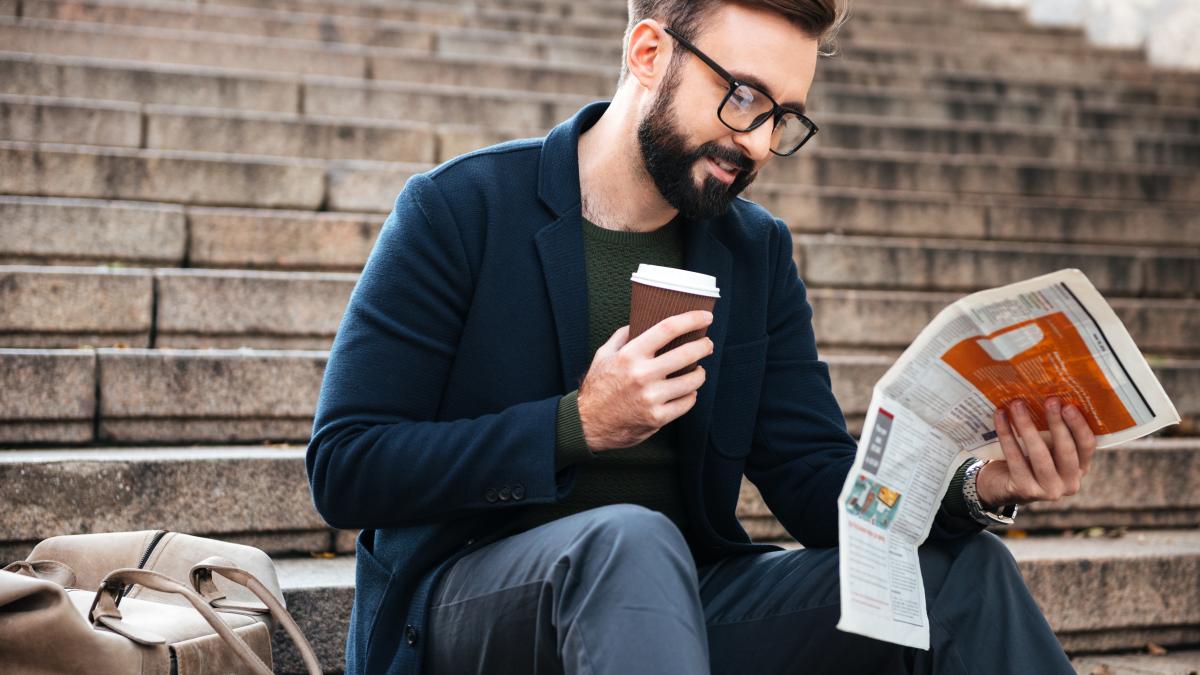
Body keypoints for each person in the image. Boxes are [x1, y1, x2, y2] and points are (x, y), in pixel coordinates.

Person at [306, 1, 1097, 673]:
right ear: (648, 52)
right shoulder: (460, 210)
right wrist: (575, 424)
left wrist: (975, 484)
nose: (757, 142)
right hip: (466, 607)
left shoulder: (753, 252)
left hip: (670, 607)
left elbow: (813, 479)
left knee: (964, 573)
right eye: (745, 97)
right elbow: (347, 465)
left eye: (783, 117)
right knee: (628, 541)